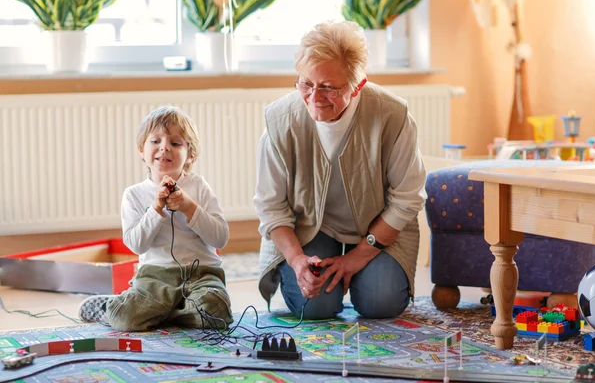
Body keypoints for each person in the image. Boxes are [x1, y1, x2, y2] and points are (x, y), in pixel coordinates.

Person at [254, 21, 427, 320]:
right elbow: (271, 208)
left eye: (329, 88)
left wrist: (357, 259)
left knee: (380, 303)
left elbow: (406, 199)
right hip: (310, 227)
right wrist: (296, 262)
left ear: (357, 86)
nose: (314, 97)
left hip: (378, 228)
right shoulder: (280, 121)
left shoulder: (393, 116)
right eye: (306, 83)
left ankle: (365, 277)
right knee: (316, 307)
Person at [78, 106, 233, 331]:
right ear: (141, 150)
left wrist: (190, 208)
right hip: (155, 277)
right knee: (125, 319)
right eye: (156, 141)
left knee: (217, 312)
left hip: (201, 274)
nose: (164, 148)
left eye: (175, 143)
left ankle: (163, 312)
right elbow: (136, 244)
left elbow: (220, 238)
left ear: (191, 154)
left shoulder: (199, 186)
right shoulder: (134, 194)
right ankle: (119, 306)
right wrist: (156, 210)